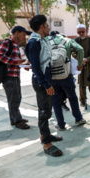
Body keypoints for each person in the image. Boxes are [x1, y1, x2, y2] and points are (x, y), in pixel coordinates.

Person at [25, 15, 63, 157]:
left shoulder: (41, 40)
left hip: (45, 80)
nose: (49, 28)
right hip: (42, 82)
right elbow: (35, 66)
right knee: (44, 112)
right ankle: (46, 143)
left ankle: (45, 135)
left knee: (47, 110)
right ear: (42, 27)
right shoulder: (34, 42)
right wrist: (46, 83)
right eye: (47, 25)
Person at [46, 31, 86, 131]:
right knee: (72, 97)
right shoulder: (67, 40)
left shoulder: (46, 41)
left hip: (52, 77)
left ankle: (61, 124)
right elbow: (80, 49)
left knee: (56, 101)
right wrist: (80, 64)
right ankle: (78, 118)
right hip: (66, 75)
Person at [0, 26, 31, 129]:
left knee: (16, 98)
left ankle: (14, 119)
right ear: (16, 33)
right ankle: (18, 121)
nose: (24, 37)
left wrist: (24, 65)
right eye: (23, 34)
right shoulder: (7, 43)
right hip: (9, 77)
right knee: (14, 99)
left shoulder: (15, 45)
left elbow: (16, 61)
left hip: (15, 76)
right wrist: (16, 61)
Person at [73, 24, 90, 106]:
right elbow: (73, 52)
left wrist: (87, 59)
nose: (81, 33)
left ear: (86, 31)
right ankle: (83, 100)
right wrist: (80, 59)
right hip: (80, 65)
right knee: (81, 83)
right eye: (79, 32)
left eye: (82, 31)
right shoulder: (75, 41)